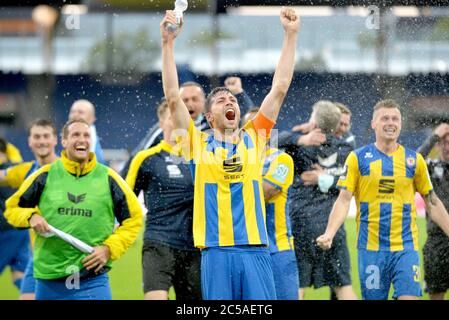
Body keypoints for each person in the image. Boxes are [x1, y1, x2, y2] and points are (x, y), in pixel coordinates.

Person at [160, 7, 299, 299]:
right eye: (221, 100)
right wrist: (168, 44)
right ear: (210, 118)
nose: (229, 101)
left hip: (256, 249)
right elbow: (173, 99)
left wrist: (290, 35)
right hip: (216, 251)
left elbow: (280, 88)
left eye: (232, 99)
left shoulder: (256, 137)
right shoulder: (196, 144)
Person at [317, 99, 449, 300]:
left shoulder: (414, 160)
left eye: (395, 118)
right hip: (371, 250)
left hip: (405, 248)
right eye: (385, 118)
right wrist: (329, 233)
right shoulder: (357, 158)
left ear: (401, 124)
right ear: (373, 124)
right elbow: (343, 200)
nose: (391, 122)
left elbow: (432, 202)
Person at [4, 119, 143, 300]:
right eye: (76, 135)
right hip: (50, 279)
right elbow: (12, 208)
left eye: (86, 135)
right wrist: (30, 217)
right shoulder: (44, 175)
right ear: (64, 141)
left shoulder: (109, 178)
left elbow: (134, 218)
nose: (82, 139)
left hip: (92, 278)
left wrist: (109, 248)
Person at [125, 100, 201, 300]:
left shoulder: (200, 159)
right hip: (158, 243)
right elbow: (125, 200)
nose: (176, 122)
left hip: (194, 247)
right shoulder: (146, 158)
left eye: (180, 118)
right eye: (171, 117)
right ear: (161, 123)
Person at [283, 101, 357, 300]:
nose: (344, 128)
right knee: (343, 284)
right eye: (341, 124)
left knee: (298, 285)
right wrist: (301, 137)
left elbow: (268, 140)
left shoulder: (299, 145)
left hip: (302, 221)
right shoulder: (342, 147)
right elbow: (348, 181)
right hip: (331, 224)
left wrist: (298, 138)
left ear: (314, 119)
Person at [121, 77, 255, 175]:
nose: (190, 104)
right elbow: (138, 156)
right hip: (178, 189)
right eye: (185, 100)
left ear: (204, 102)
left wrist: (240, 94)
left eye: (195, 99)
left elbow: (247, 122)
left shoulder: (213, 125)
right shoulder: (165, 127)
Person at [243, 108, 300, 300]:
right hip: (246, 249)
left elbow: (267, 190)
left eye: (261, 125)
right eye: (250, 125)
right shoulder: (236, 160)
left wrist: (234, 186)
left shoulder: (281, 159)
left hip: (278, 249)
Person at [0, 119, 59, 300]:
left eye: (46, 136)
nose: (41, 141)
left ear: (55, 140)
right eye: (37, 136)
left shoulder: (67, 169)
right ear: (29, 141)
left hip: (66, 258)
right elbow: (3, 176)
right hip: (39, 257)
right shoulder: (27, 170)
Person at [418, 123, 449, 300]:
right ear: (437, 146)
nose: (447, 147)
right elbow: (413, 161)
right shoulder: (429, 167)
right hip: (437, 242)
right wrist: (434, 136)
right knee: (436, 294)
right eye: (443, 142)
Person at [0, 138, 28, 293]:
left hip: (5, 232)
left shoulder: (4, 176)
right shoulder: (18, 169)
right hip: (21, 230)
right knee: (20, 274)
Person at [69, 99, 105, 164]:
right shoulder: (57, 138)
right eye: (72, 112)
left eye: (80, 112)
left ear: (92, 118)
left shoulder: (97, 148)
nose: (75, 115)